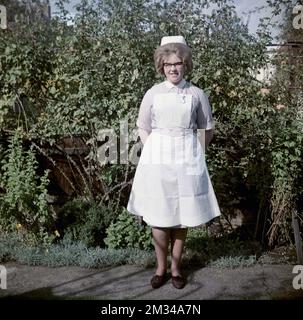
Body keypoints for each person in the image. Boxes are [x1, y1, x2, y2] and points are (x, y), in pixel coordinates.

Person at [127, 35, 221, 289]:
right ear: (161, 66)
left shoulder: (196, 94)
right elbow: (143, 126)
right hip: (158, 160)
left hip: (187, 159)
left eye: (178, 63)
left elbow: (207, 128)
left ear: (185, 64)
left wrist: (194, 152)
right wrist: (154, 151)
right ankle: (160, 269)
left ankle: (176, 269)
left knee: (182, 216)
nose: (173, 68)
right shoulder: (152, 94)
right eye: (168, 64)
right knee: (159, 216)